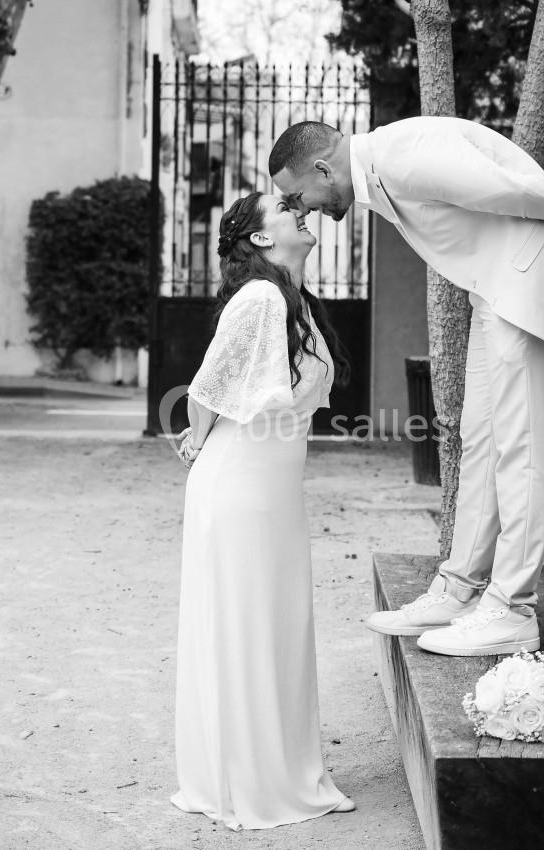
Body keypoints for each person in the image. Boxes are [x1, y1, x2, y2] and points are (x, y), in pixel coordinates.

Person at [269, 117, 544, 657]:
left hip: (527, 280)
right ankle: (460, 590)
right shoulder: (374, 173)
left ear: (320, 167)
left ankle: (512, 609)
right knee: (479, 438)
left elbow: (504, 186)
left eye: (297, 196)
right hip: (495, 289)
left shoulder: (402, 154)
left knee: (520, 447)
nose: (301, 209)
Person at [171, 191, 355, 830]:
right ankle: (249, 782)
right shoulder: (261, 299)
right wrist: (198, 439)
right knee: (248, 626)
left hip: (273, 495)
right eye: (284, 207)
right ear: (257, 239)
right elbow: (207, 387)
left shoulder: (294, 301)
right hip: (241, 491)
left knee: (277, 627)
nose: (300, 209)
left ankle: (277, 768)